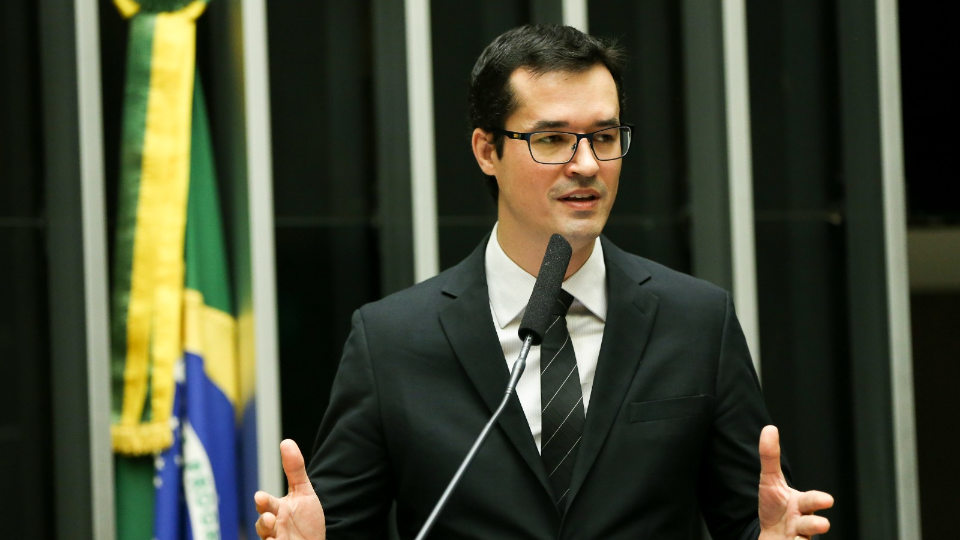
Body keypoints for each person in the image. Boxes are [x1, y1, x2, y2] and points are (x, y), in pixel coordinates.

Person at [255, 24, 834, 540]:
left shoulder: (696, 321)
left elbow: (750, 518)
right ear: (487, 150)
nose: (586, 165)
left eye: (604, 137)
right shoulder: (392, 341)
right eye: (552, 139)